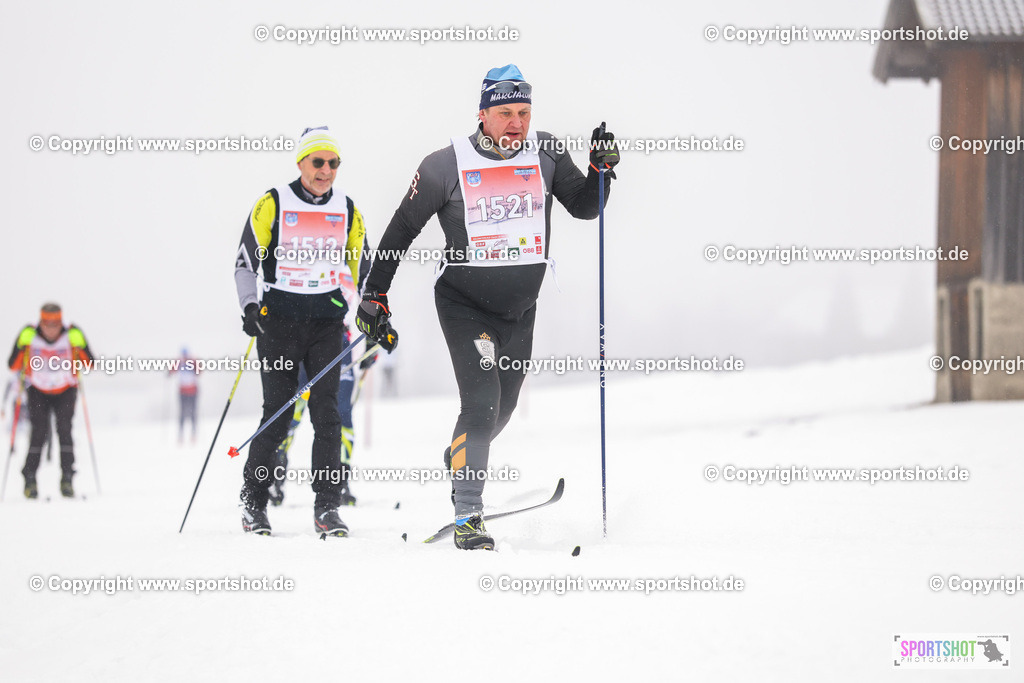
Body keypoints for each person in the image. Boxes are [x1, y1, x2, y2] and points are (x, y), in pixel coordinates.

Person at [357, 64, 619, 550]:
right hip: (465, 305)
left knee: (505, 406)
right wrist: (375, 294)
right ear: (483, 114)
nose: (517, 122)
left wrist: (602, 173)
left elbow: (584, 206)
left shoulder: (548, 152)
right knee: (481, 404)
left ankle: (462, 455)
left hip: (521, 310)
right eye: (505, 112)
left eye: (524, 111)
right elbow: (401, 230)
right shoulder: (444, 165)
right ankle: (469, 516)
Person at [234, 125, 371, 537]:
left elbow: (363, 268)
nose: (326, 170)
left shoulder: (347, 209)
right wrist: (249, 307)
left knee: (327, 416)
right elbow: (244, 263)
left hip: (327, 323)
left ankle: (327, 508)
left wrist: (373, 309)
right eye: (318, 162)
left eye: (333, 163)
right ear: (301, 162)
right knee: (277, 414)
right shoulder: (273, 203)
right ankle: (253, 503)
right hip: (279, 323)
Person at [268, 334, 376, 508]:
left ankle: (339, 479)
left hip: (339, 341)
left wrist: (375, 334)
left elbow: (377, 308)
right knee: (291, 416)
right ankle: (275, 472)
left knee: (341, 417)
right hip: (301, 338)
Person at [7, 303, 93, 498]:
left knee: (64, 429)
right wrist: (22, 345)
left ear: (61, 321)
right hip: (38, 390)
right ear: (41, 321)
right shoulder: (29, 334)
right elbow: (13, 365)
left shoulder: (71, 333)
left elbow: (90, 363)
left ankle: (67, 477)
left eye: (55, 324)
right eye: (48, 324)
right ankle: (29, 478)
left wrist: (79, 346)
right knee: (39, 431)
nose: (51, 328)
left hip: (65, 390)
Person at [170, 347, 200, 444]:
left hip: (192, 391)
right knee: (183, 414)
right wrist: (169, 373)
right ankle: (181, 435)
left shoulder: (192, 361)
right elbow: (172, 370)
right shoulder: (179, 362)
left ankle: (193, 434)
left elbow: (199, 371)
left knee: (192, 413)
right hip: (183, 392)